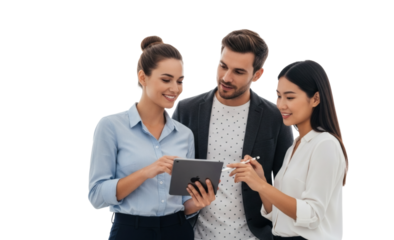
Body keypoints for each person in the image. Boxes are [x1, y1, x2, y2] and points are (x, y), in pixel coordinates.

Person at [87, 35, 218, 240]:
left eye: (180, 81)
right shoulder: (110, 126)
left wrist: (201, 201)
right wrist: (147, 172)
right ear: (143, 77)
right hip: (130, 231)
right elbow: (96, 197)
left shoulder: (184, 135)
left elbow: (184, 203)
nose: (175, 89)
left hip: (178, 230)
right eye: (166, 79)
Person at [172, 28, 294, 240]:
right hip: (196, 234)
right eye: (223, 66)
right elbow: (169, 177)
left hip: (254, 235)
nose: (226, 77)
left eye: (238, 72)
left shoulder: (276, 117)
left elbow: (287, 186)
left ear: (258, 75)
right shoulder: (186, 109)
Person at [227, 59, 349, 240]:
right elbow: (277, 213)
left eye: (290, 97)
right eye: (278, 96)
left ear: (315, 98)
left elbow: (312, 215)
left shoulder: (325, 145)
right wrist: (262, 181)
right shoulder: (295, 146)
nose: (281, 105)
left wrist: (260, 185)